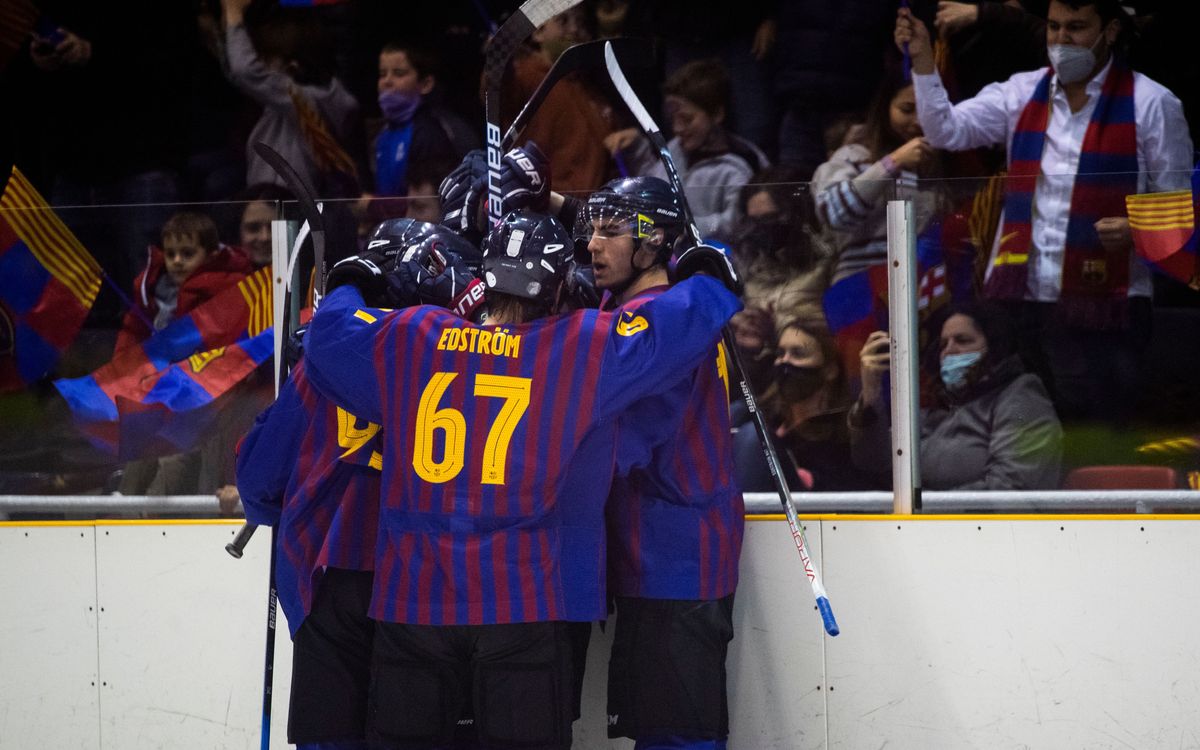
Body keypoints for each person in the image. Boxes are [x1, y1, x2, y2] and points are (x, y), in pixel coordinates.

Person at [301, 207, 742, 750]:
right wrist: (709, 280)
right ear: (559, 292)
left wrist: (352, 281)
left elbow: (326, 337)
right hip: (525, 601)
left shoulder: (415, 334)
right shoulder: (579, 345)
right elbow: (665, 334)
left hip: (414, 600)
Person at [894, 0, 1194, 422]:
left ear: (1109, 32)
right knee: (1023, 432)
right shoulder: (1020, 92)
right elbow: (946, 131)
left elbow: (1179, 213)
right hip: (1023, 301)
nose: (1060, 40)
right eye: (1053, 27)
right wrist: (923, 60)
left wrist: (1135, 228)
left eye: (1075, 28)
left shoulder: (1152, 103)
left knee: (1095, 439)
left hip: (1108, 309)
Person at [236, 219, 453, 750]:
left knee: (332, 738)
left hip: (333, 573)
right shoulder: (454, 357)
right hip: (429, 580)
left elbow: (261, 482)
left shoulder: (322, 362)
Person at [575, 176, 744, 749]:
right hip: (668, 552)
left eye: (611, 232)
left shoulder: (653, 327)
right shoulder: (668, 312)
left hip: (674, 558)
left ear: (652, 243)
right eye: (590, 230)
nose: (592, 246)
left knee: (676, 738)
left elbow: (620, 447)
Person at [849, 303, 1064, 489]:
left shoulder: (1022, 397)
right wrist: (870, 395)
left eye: (963, 340)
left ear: (995, 347)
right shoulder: (940, 406)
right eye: (943, 344)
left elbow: (1011, 489)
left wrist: (924, 514)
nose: (949, 350)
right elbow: (873, 462)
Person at [607, 58, 769, 243]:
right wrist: (636, 148)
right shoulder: (676, 148)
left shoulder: (741, 165)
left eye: (687, 119)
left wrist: (681, 226)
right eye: (672, 119)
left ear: (717, 114)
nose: (677, 128)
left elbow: (737, 224)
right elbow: (654, 188)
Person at [812, 65, 945, 284]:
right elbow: (834, 214)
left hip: (922, 287)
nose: (918, 121)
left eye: (928, 110)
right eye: (907, 109)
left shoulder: (944, 167)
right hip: (859, 290)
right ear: (885, 108)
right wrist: (893, 162)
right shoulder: (852, 157)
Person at [222, 0, 364, 198]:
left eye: (265, 61)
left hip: (289, 215)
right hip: (273, 210)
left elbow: (246, 72)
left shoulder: (307, 102)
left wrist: (233, 14)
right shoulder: (285, 107)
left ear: (293, 65)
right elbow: (238, 74)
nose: (262, 68)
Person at [734, 317, 879, 493]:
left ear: (830, 370)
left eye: (798, 354)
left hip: (805, 517)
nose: (785, 361)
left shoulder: (843, 439)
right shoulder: (756, 414)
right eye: (780, 354)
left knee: (755, 437)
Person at [115, 211, 253, 353]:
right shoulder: (151, 289)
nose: (177, 261)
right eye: (170, 254)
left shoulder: (226, 289)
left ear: (211, 256)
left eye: (187, 254)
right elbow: (131, 333)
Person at [371, 41, 477, 201]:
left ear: (425, 84)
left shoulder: (431, 134)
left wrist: (372, 208)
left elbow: (428, 204)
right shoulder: (384, 133)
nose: (387, 81)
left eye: (399, 74)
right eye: (382, 74)